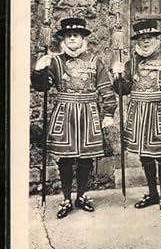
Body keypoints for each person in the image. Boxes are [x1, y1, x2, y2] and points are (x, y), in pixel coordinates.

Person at [31, 17, 117, 219]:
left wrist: (109, 112)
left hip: (89, 112)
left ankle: (82, 196)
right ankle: (67, 198)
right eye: (67, 36)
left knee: (86, 157)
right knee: (66, 158)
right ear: (63, 40)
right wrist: (38, 70)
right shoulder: (56, 61)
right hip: (65, 113)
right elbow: (42, 87)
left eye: (75, 36)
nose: (71, 39)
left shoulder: (95, 61)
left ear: (82, 39)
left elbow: (105, 88)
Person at [113, 19, 161, 218]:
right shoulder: (133, 61)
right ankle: (153, 193)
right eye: (142, 38)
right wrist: (119, 76)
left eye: (149, 38)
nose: (145, 42)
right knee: (145, 155)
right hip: (138, 113)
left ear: (157, 39)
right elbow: (123, 90)